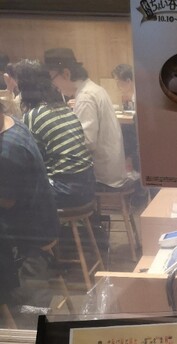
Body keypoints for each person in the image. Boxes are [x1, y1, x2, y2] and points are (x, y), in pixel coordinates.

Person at [0, 99, 60, 312]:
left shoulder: (7, 150)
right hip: (43, 219)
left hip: (30, 233)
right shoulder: (12, 123)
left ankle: (13, 312)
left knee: (30, 305)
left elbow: (7, 201)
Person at [44, 47, 128, 190]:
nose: (54, 85)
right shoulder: (93, 89)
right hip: (112, 170)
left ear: (66, 74)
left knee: (55, 181)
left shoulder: (85, 97)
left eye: (52, 78)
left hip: (103, 177)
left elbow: (87, 143)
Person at [15, 59, 95, 208]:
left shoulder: (33, 116)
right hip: (88, 186)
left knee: (14, 194)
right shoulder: (64, 108)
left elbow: (30, 159)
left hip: (65, 191)